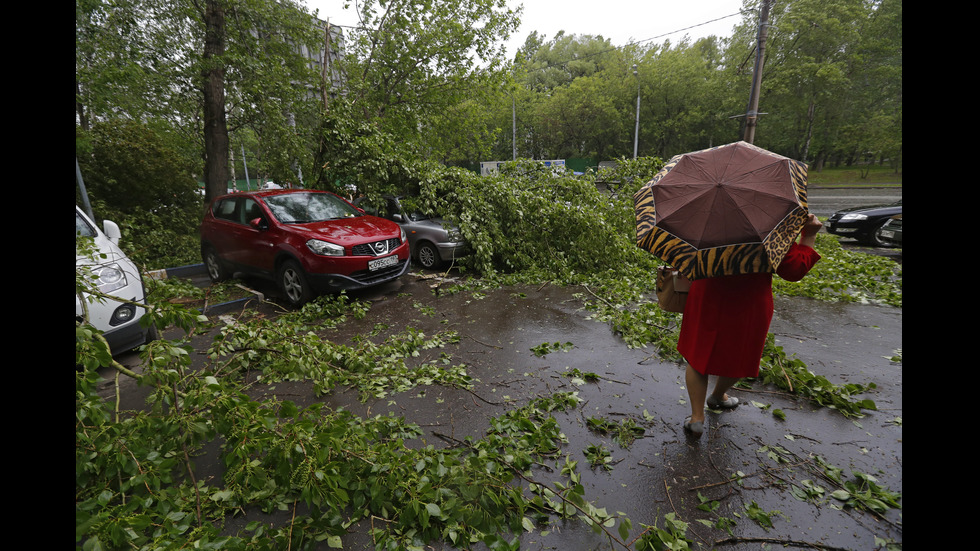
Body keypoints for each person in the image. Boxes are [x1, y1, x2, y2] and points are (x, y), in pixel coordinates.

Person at [678, 213, 823, 436]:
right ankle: (717, 397)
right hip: (749, 301)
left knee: (698, 355)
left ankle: (697, 418)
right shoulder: (768, 221)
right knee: (741, 354)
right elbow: (793, 270)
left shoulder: (706, 215)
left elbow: (681, 255)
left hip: (708, 294)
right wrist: (809, 235)